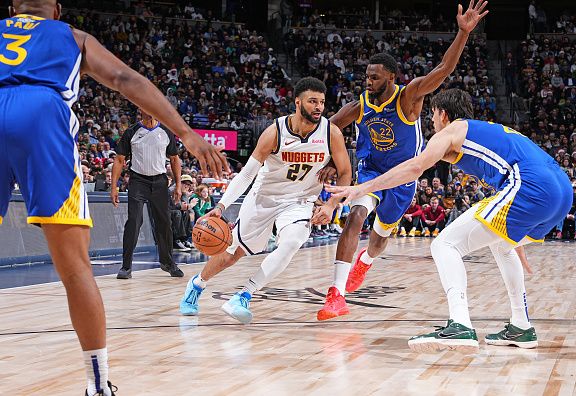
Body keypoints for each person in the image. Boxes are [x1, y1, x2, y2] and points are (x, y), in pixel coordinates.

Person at [0, 2, 226, 395]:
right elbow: (123, 77)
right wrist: (186, 132)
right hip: (42, 114)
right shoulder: (71, 35)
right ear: (55, 9)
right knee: (74, 269)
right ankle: (97, 383)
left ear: (12, 8)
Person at [326, 88, 573, 354]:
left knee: (444, 245)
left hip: (530, 186)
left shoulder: (451, 132)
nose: (431, 122)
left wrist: (361, 189)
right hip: (561, 191)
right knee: (502, 246)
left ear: (442, 114)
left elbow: (415, 168)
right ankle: (521, 326)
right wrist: (515, 239)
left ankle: (459, 324)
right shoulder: (481, 132)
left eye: (432, 115)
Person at [316, 0, 489, 320]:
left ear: (392, 78)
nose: (369, 82)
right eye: (367, 77)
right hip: (370, 173)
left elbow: (443, 70)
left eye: (376, 77)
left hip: (403, 179)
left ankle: (365, 262)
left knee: (379, 240)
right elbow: (328, 129)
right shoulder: (360, 105)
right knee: (355, 217)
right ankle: (336, 294)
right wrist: (331, 159)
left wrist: (463, 34)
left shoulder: (408, 97)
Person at [179, 77, 352, 323]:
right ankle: (197, 284)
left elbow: (346, 172)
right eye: (312, 101)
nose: (318, 107)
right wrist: (221, 206)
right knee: (232, 254)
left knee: (292, 241)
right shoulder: (275, 132)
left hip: (300, 200)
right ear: (297, 102)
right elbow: (248, 173)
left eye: (322, 102)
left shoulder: (330, 132)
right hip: (264, 197)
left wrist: (332, 204)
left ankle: (244, 295)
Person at [112, 110, 186, 278]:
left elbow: (174, 159)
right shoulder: (132, 131)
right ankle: (126, 267)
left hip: (160, 181)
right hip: (138, 181)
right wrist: (114, 187)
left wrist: (178, 185)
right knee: (134, 221)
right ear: (140, 111)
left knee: (164, 222)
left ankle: (168, 263)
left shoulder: (166, 132)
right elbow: (119, 159)